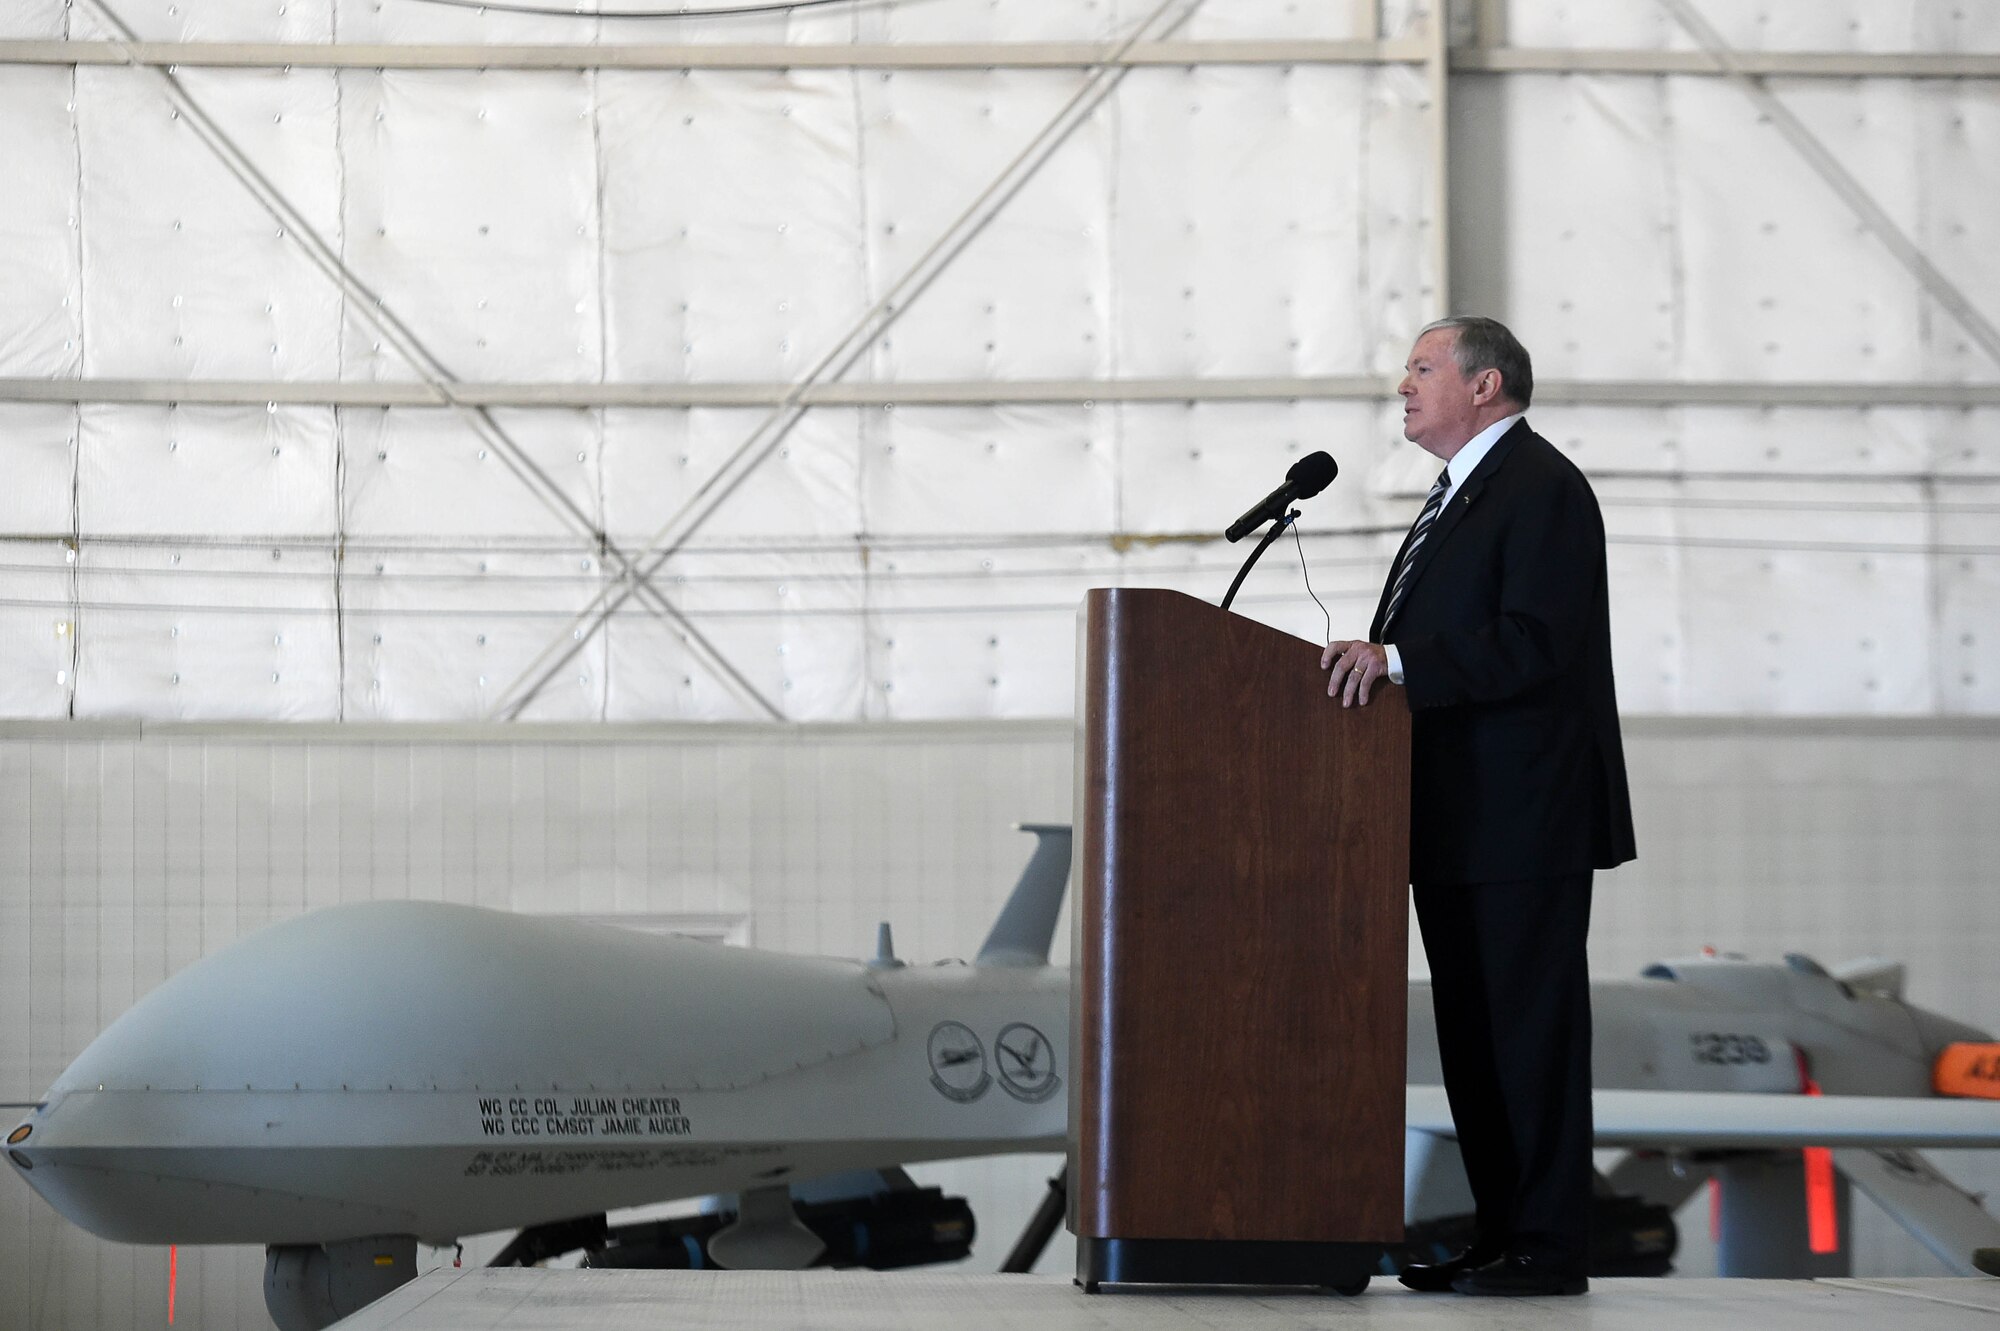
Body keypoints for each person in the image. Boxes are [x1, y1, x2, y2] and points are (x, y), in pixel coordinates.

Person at [1321, 316, 1636, 1297]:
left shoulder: (1540, 488)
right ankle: (1500, 1234)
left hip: (1522, 820)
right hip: (1454, 820)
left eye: (1421, 368)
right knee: (1473, 1038)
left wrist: (1396, 660)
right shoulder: (1460, 494)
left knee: (1526, 1035)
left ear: (1485, 383)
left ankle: (1547, 1245)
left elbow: (1537, 638)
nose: (1402, 385)